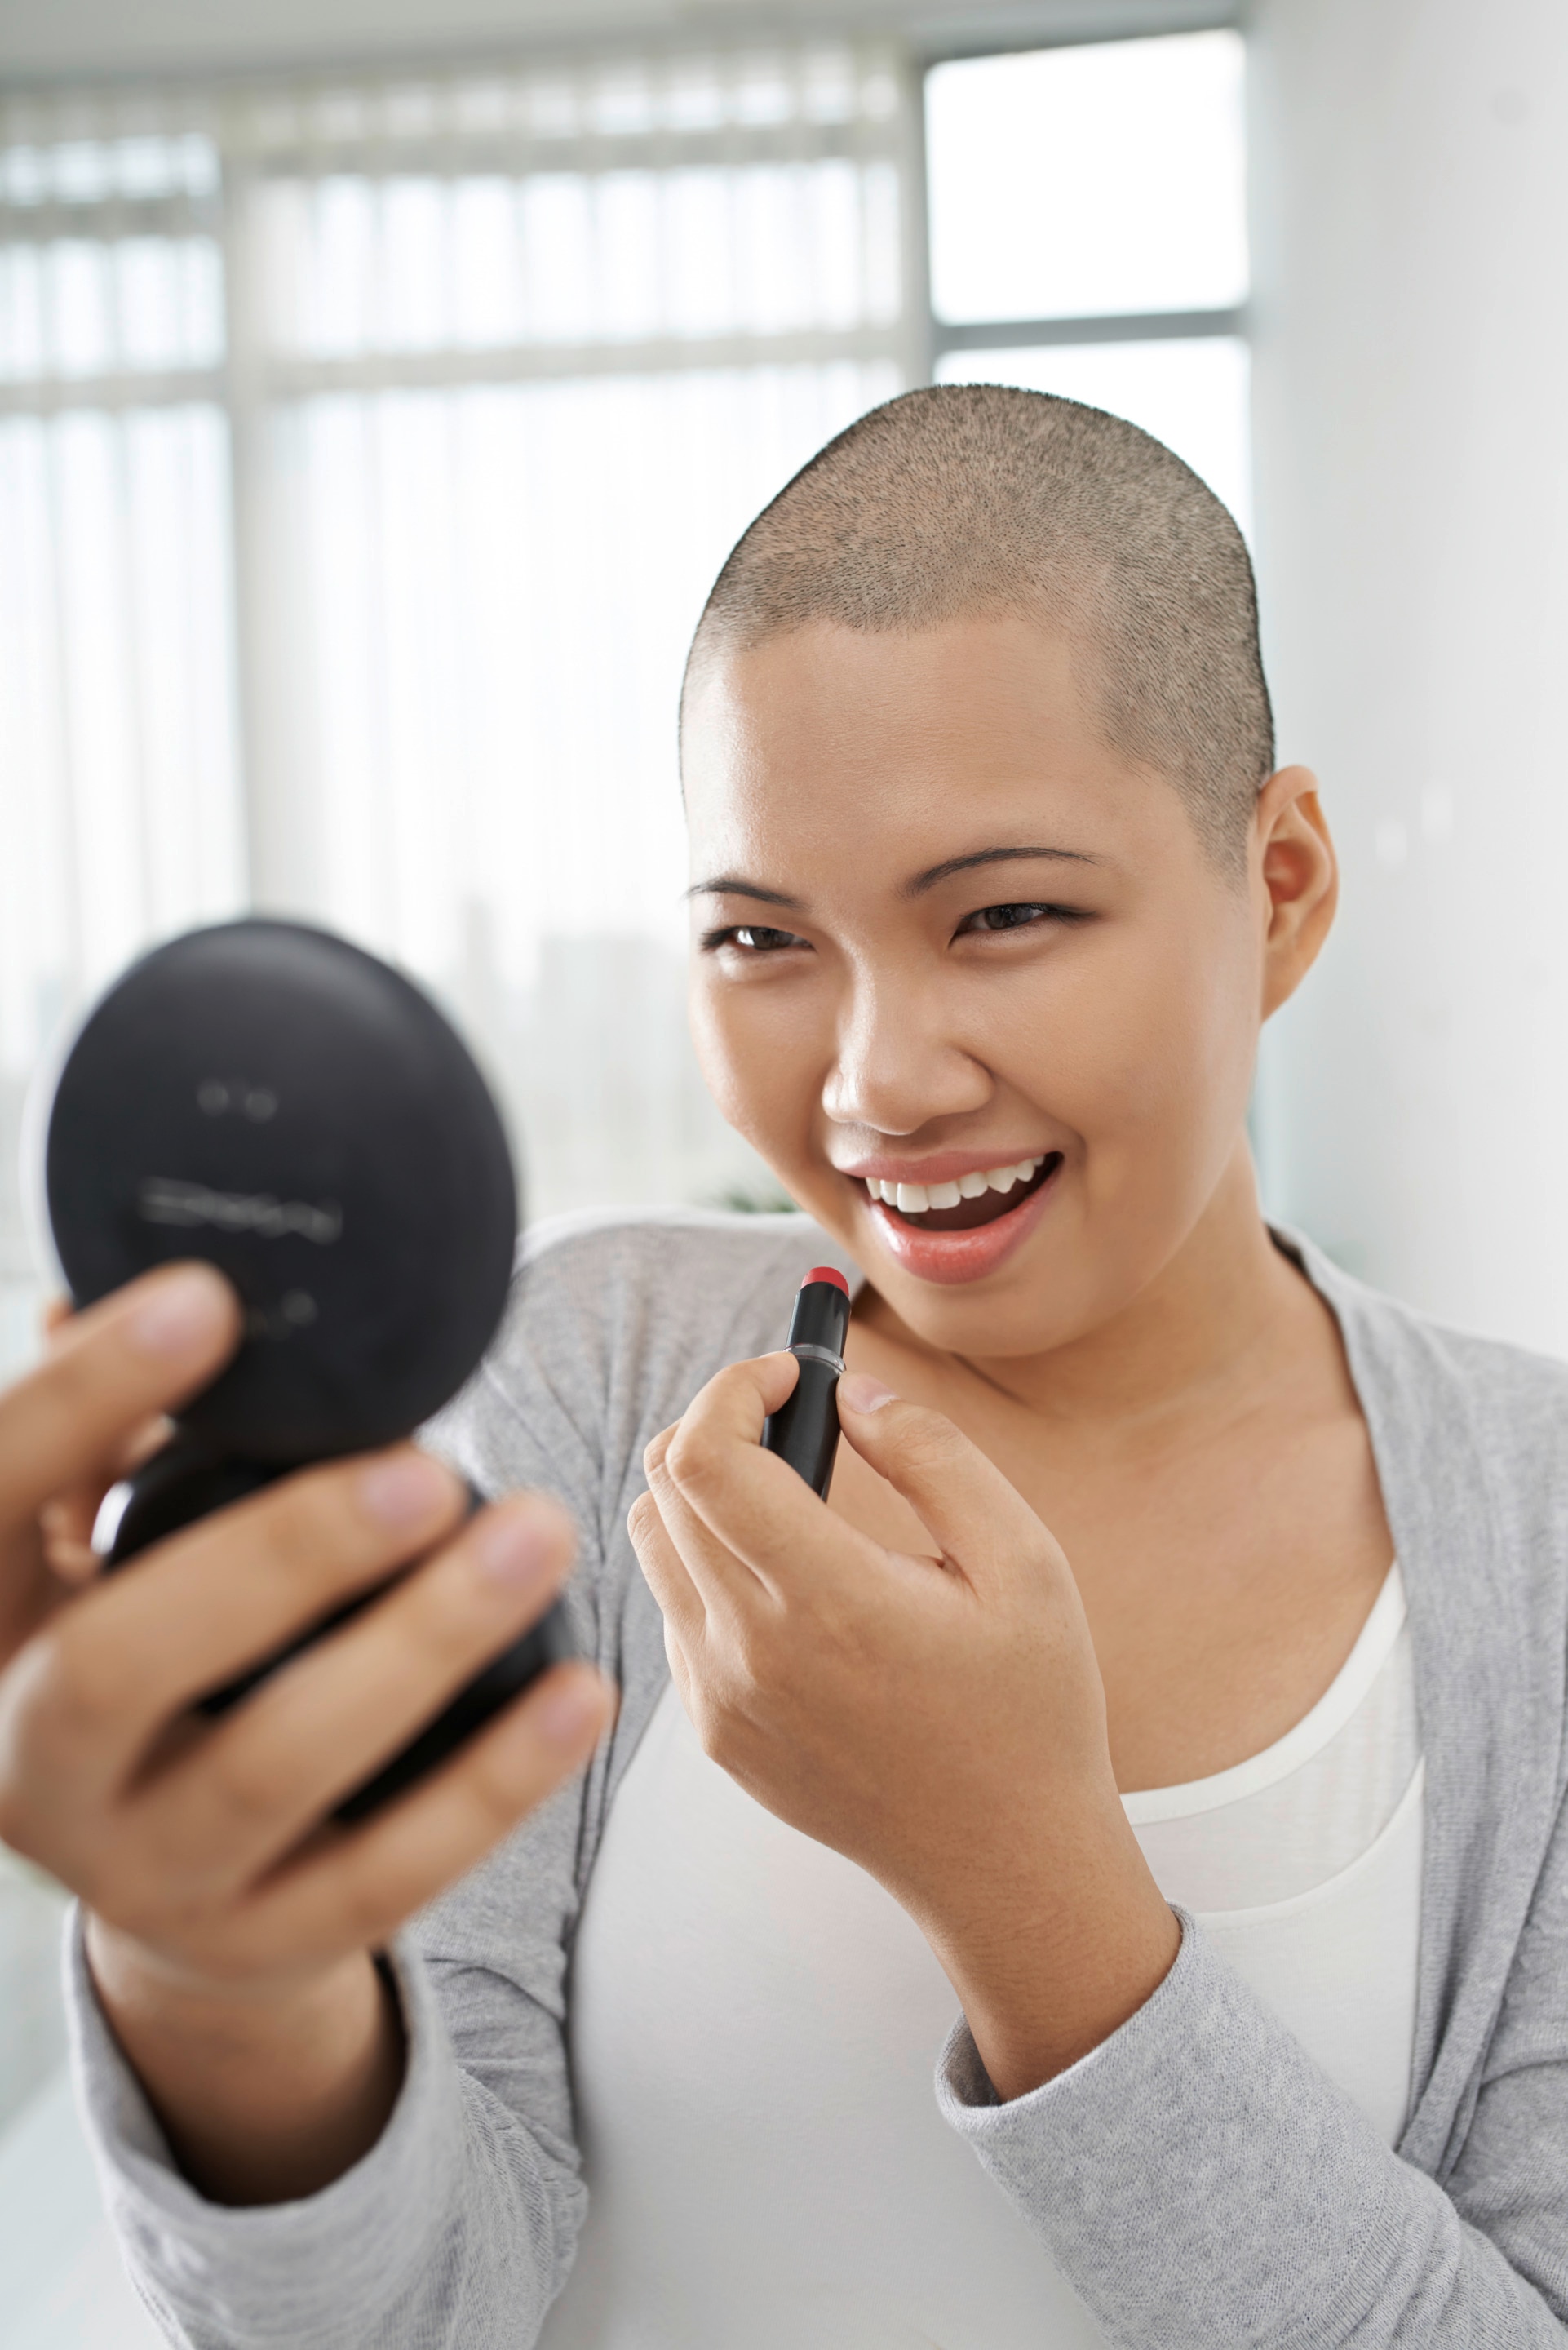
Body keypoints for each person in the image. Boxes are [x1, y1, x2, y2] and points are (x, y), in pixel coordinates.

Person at [1, 384, 1566, 2347]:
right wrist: (215, 1972)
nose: (872, 1084)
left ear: (1281, 888)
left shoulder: (1540, 1534)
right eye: (760, 941)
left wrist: (1027, 1887)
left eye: (1002, 914)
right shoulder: (586, 1364)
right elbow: (396, 2317)